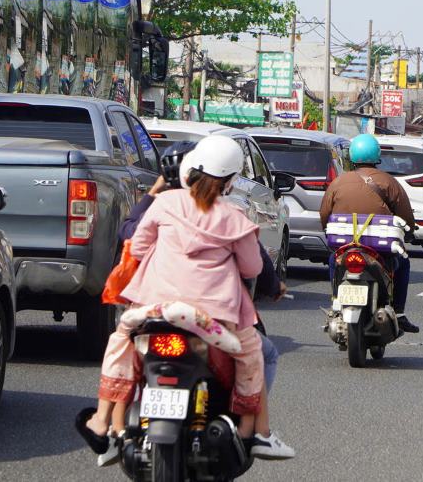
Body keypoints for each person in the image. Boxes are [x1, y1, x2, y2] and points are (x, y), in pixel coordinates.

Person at [77, 136, 295, 461]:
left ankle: (105, 422)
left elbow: (136, 246)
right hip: (214, 321)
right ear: (232, 180)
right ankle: (255, 432)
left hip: (154, 310)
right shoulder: (236, 220)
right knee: (256, 354)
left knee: (122, 343)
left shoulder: (165, 204)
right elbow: (252, 267)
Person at [319, 133, 420, 334]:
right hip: (379, 251)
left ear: (352, 157)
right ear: (377, 156)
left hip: (344, 247)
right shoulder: (389, 182)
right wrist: (409, 234)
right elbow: (406, 217)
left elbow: (324, 214)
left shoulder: (338, 182)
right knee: (403, 263)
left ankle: (336, 302)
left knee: (333, 261)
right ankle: (399, 313)